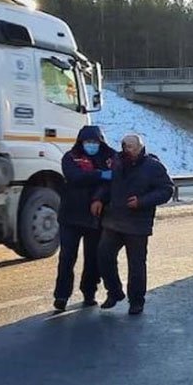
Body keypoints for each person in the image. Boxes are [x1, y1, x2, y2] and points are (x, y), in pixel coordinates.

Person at [92, 134, 174, 315]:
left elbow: (166, 190)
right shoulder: (116, 163)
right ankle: (114, 292)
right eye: (123, 145)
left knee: (136, 265)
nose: (125, 149)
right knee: (104, 256)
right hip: (113, 221)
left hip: (137, 225)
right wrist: (98, 198)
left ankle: (136, 301)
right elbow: (107, 185)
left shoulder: (153, 167)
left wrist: (142, 201)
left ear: (139, 148)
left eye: (129, 146)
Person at [52, 125, 115, 313]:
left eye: (95, 142)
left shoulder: (109, 158)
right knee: (66, 258)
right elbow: (75, 177)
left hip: (95, 217)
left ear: (101, 142)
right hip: (70, 216)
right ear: (81, 142)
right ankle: (61, 296)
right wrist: (100, 175)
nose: (91, 145)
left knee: (92, 258)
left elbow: (111, 182)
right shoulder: (70, 157)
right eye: (88, 142)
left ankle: (89, 292)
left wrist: (99, 196)